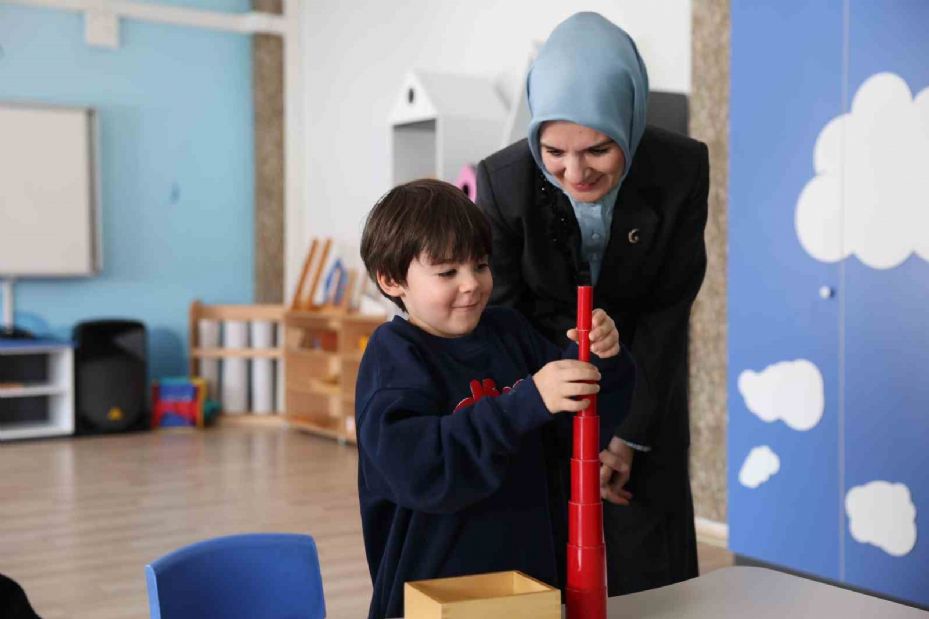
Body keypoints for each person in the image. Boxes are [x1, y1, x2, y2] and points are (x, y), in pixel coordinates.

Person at [476, 12, 709, 595]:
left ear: (627, 121)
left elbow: (666, 313)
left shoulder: (680, 170)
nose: (574, 173)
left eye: (598, 150)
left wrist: (624, 435)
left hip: (645, 393)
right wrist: (568, 427)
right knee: (541, 573)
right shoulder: (503, 183)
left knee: (655, 576)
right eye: (553, 151)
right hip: (544, 391)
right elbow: (504, 321)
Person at [355, 179, 636, 619]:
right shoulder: (393, 358)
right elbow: (419, 470)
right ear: (392, 281)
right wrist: (526, 402)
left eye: (480, 266)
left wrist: (604, 360)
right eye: (447, 272)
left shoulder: (510, 332)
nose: (471, 285)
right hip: (434, 594)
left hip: (530, 583)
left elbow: (576, 430)